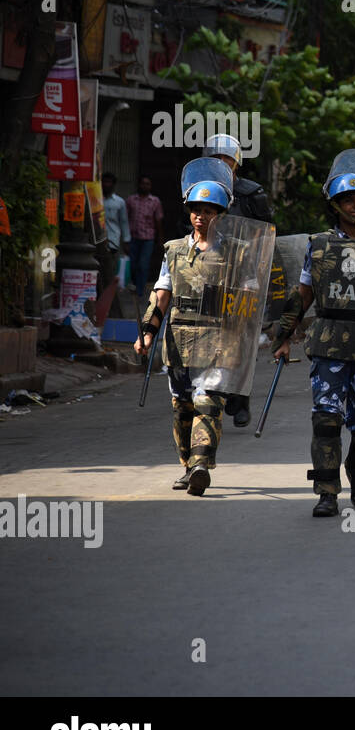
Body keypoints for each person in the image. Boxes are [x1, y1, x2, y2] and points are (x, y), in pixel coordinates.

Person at [273, 150, 355, 517]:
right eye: (349, 200)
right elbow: (303, 293)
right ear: (336, 204)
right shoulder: (320, 245)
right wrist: (283, 335)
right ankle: (326, 491)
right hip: (328, 341)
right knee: (326, 418)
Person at [133, 161, 237, 496]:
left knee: (208, 404)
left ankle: (201, 465)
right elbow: (162, 295)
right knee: (183, 407)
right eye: (196, 210)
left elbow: (249, 298)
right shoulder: (174, 251)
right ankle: (187, 465)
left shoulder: (236, 253)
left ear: (220, 214)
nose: (201, 217)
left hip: (218, 339)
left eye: (209, 211)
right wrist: (147, 332)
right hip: (179, 338)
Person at [202, 133, 275, 428]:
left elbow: (266, 231)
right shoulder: (201, 191)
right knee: (210, 336)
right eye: (216, 158)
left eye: (227, 159)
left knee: (243, 339)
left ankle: (240, 397)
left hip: (245, 275)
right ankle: (211, 393)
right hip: (210, 274)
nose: (222, 163)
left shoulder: (250, 193)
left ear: (236, 162)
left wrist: (256, 268)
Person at [126, 176, 164, 298]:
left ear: (150, 186)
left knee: (143, 265)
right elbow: (125, 219)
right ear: (139, 185)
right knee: (132, 265)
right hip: (133, 237)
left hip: (148, 238)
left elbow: (158, 220)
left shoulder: (155, 201)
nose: (145, 186)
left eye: (147, 184)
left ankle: (140, 291)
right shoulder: (131, 200)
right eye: (143, 184)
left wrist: (160, 238)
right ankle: (133, 285)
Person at [97, 172, 131, 293]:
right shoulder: (96, 200)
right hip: (96, 239)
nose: (106, 185)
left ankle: (109, 294)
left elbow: (124, 222)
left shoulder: (119, 202)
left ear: (113, 185)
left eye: (109, 182)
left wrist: (126, 241)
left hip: (112, 241)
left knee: (109, 269)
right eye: (104, 182)